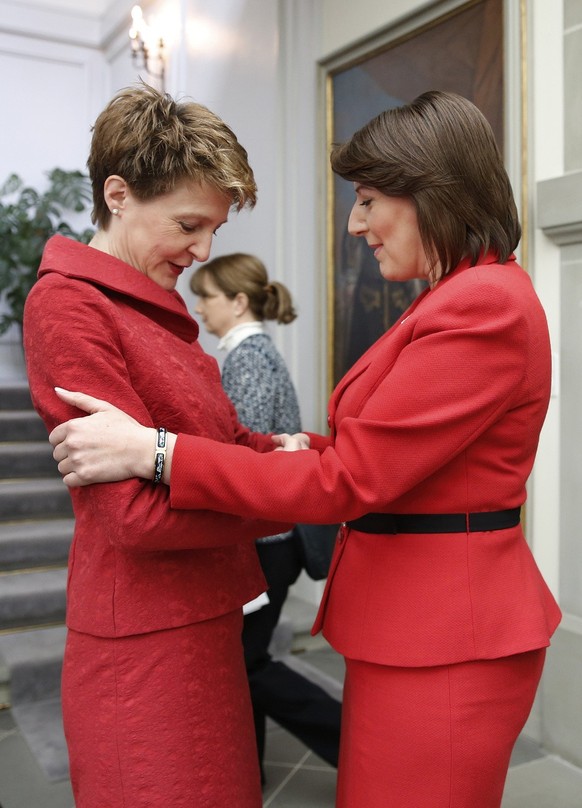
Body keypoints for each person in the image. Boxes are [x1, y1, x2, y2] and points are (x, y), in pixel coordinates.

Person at [47, 91, 562, 808]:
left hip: (449, 628)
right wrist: (298, 447)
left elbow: (352, 477)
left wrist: (159, 453)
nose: (355, 224)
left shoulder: (482, 302)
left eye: (368, 199)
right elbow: (394, 455)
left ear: (429, 191)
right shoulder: (460, 296)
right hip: (420, 621)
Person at [22, 82, 296, 808]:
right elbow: (136, 516)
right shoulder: (69, 304)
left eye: (213, 228)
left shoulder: (152, 301)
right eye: (188, 224)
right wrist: (296, 492)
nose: (204, 250)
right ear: (117, 193)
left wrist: (308, 452)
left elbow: (232, 440)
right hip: (143, 639)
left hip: (197, 615)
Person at [190, 253, 341, 781]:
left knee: (249, 663)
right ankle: (247, 769)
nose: (199, 309)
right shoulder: (246, 353)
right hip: (271, 538)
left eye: (205, 296)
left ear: (237, 301)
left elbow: (244, 467)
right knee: (243, 660)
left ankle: (350, 742)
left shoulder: (248, 357)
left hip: (271, 541)